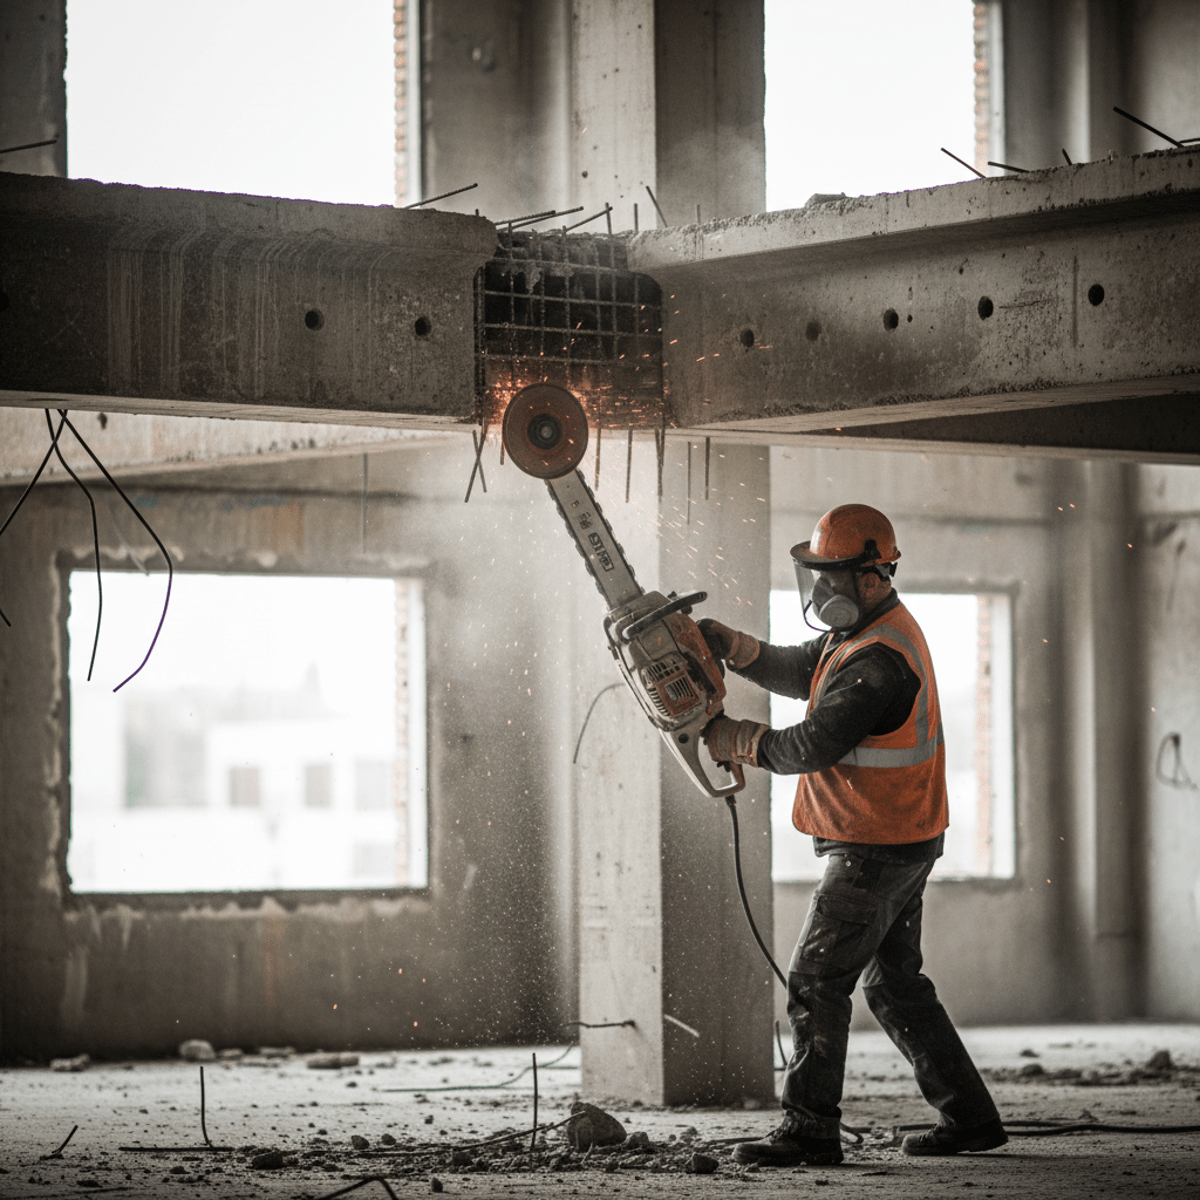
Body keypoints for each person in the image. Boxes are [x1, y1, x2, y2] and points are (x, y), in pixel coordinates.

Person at [699, 503, 1006, 1168]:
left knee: (815, 977)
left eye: (830, 576)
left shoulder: (880, 663)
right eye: (816, 574)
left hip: (877, 846)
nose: (819, 592)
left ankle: (810, 1129)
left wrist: (735, 740)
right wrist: (732, 645)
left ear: (872, 576)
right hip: (901, 837)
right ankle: (972, 1118)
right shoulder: (863, 634)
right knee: (894, 985)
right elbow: (801, 670)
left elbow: (813, 743)